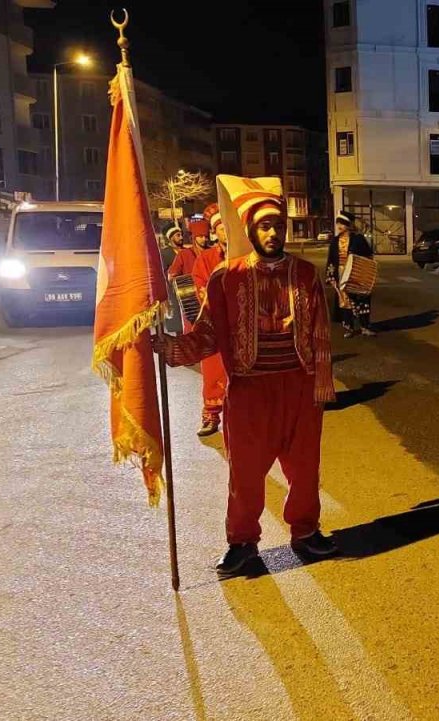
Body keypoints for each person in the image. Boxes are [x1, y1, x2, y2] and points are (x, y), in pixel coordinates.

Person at [154, 175, 338, 576]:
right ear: (252, 230)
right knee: (246, 473)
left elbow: (321, 330)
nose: (273, 233)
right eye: (265, 226)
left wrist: (322, 382)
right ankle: (242, 542)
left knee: (305, 469)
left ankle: (305, 532)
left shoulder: (306, 274)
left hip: (300, 387)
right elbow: (207, 333)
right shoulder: (226, 276)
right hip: (250, 391)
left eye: (279, 226)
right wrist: (168, 347)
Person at [188, 204, 227, 437]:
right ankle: (211, 414)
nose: (226, 232)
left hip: (243, 326)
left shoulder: (246, 255)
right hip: (214, 325)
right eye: (221, 228)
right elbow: (201, 288)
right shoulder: (205, 259)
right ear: (215, 232)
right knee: (213, 371)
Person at [325, 210, 376, 338]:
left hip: (356, 273)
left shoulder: (358, 239)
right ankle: (349, 328)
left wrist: (364, 271)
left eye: (341, 224)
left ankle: (364, 326)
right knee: (345, 302)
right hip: (341, 273)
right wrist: (331, 276)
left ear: (349, 225)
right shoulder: (335, 241)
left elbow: (368, 256)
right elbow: (331, 259)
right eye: (338, 224)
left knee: (361, 299)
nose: (339, 227)